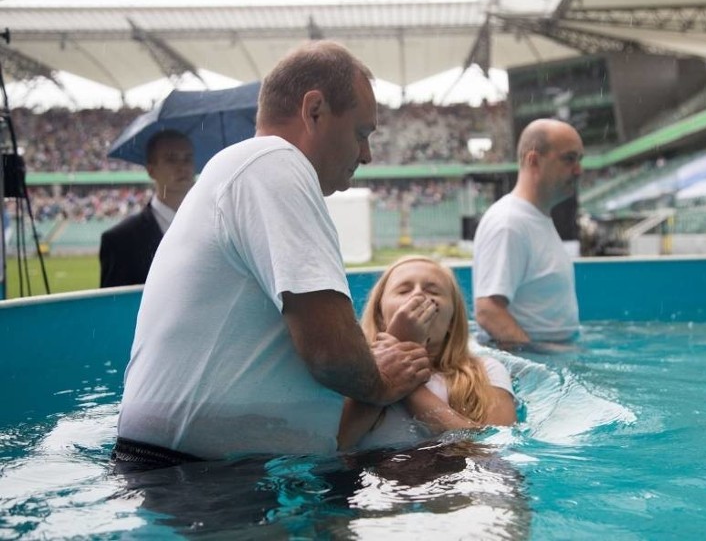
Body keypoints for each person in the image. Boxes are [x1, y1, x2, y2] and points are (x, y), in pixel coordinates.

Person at [112, 41, 432, 467]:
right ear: (314, 110)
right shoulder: (274, 162)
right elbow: (330, 352)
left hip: (187, 469)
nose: (367, 155)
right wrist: (381, 379)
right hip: (196, 479)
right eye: (361, 133)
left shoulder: (245, 167)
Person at [338, 256, 517, 451]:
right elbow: (336, 444)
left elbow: (497, 447)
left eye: (433, 291)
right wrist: (389, 368)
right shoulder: (354, 372)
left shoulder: (486, 369)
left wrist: (402, 373)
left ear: (452, 320)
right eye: (404, 290)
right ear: (380, 316)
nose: (418, 296)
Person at [473, 118, 584, 347]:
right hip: (536, 370)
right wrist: (541, 367)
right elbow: (488, 311)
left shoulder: (534, 218)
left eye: (579, 160)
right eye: (569, 159)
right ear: (533, 160)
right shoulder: (509, 222)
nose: (578, 170)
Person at [99, 129, 194, 287]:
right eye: (171, 159)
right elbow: (114, 308)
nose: (182, 167)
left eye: (188, 158)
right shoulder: (120, 241)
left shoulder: (213, 227)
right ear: (151, 170)